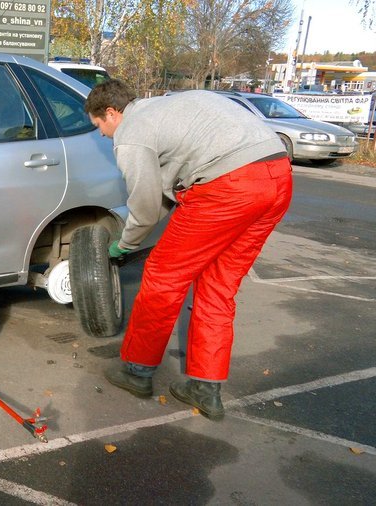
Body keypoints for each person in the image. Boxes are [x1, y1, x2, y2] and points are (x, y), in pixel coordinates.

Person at [85, 80, 292, 420]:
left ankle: (136, 372)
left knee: (163, 276)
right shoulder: (171, 107)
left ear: (111, 112)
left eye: (99, 127)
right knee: (218, 286)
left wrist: (125, 244)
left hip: (229, 186)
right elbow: (167, 194)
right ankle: (205, 388)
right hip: (277, 177)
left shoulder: (132, 133)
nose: (103, 136)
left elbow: (146, 207)